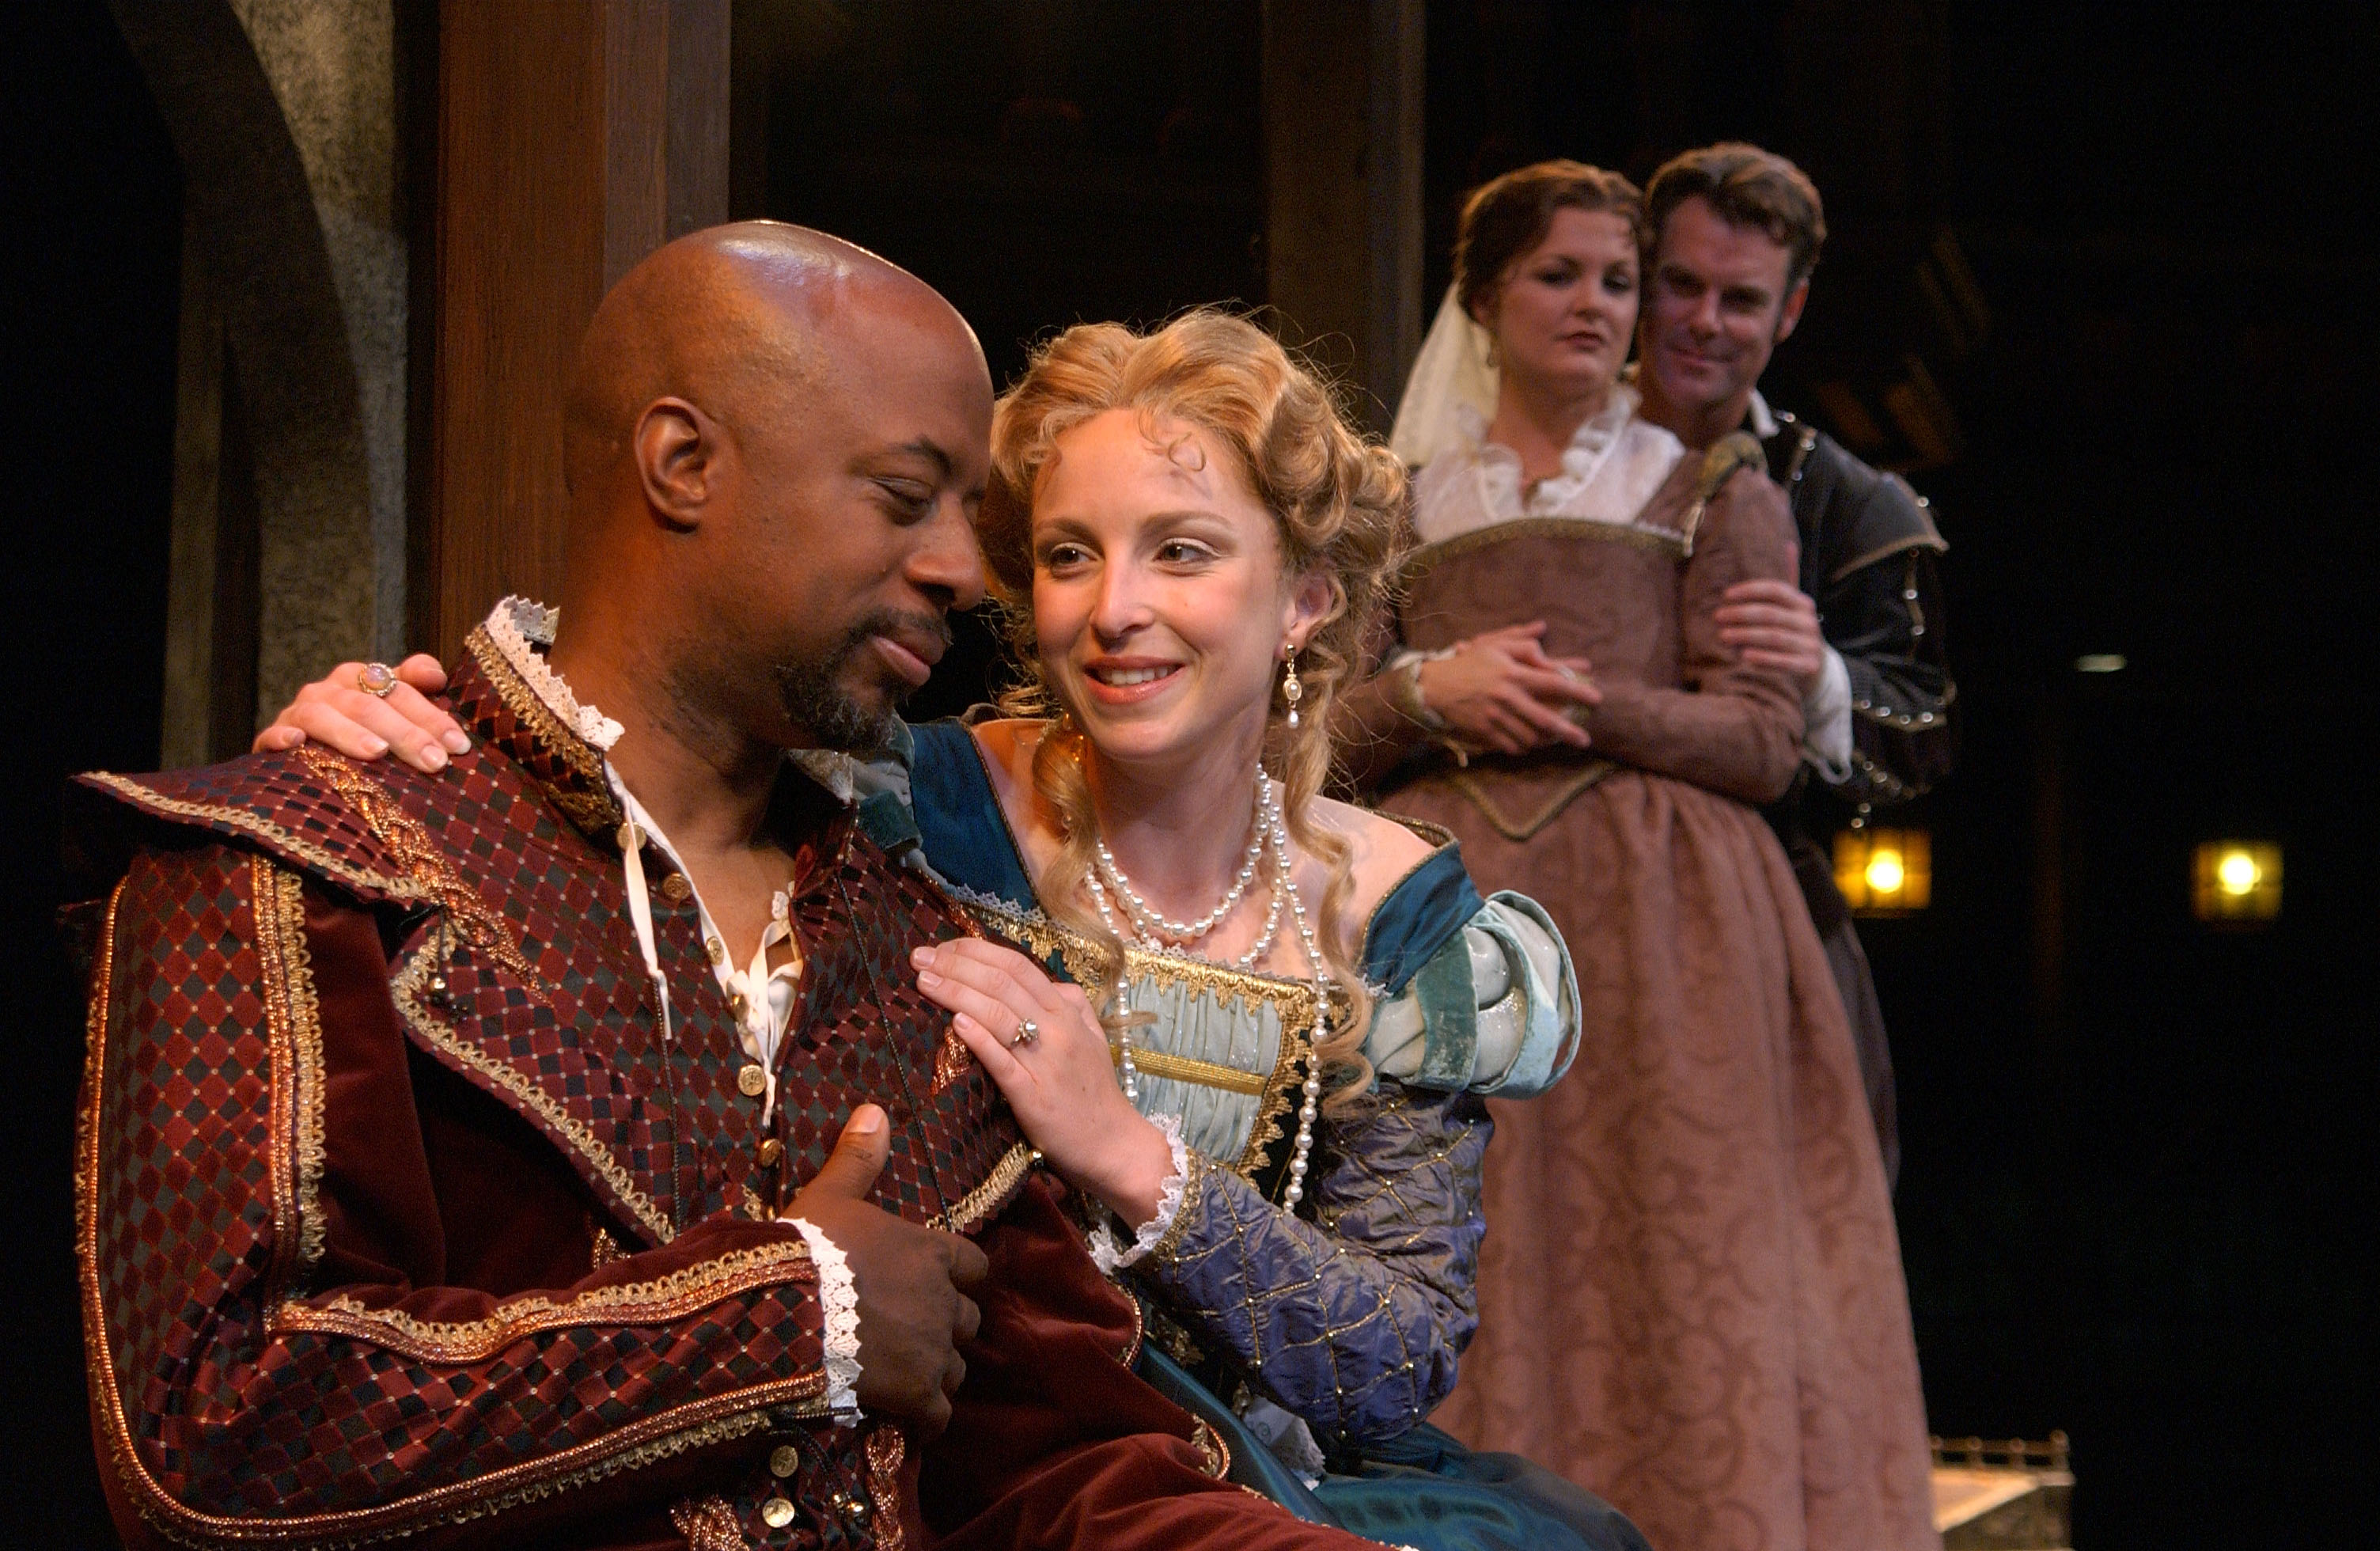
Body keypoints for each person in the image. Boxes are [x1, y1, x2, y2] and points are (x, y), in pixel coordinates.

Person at [66, 223, 1395, 1551]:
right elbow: (219, 1430)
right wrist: (787, 1317)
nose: (961, 569)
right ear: (684, 464)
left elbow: (1067, 1471)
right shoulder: (307, 867)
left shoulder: (914, 939)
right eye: (905, 496)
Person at [265, 309, 1652, 1551]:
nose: (1115, 611)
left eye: (1181, 552)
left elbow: (1396, 1362)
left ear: (1305, 599)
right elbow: (635, 734)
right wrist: (398, 726)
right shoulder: (903, 804)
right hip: (958, 1465)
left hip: (1267, 1491)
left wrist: (1131, 1157)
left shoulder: (1400, 921)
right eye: (1068, 556)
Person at [1342, 161, 1938, 1550]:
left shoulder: (1718, 485)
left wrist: (1582, 702)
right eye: (1564, 276)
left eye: (1618, 280)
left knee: (1679, 1248)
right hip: (1449, 924)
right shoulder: (1402, 499)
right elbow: (1324, 728)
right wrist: (1434, 689)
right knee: (1463, 1229)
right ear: (1483, 299)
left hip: (1672, 932)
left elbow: (1767, 737)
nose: (1601, 307)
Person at [1632, 142, 1957, 1189]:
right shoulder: (1526, 471)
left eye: (1741, 298)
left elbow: (1925, 737)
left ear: (1791, 311)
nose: (1704, 321)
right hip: (1544, 901)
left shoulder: (1855, 504)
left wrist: (1816, 674)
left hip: (1761, 920)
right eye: (1681, 284)